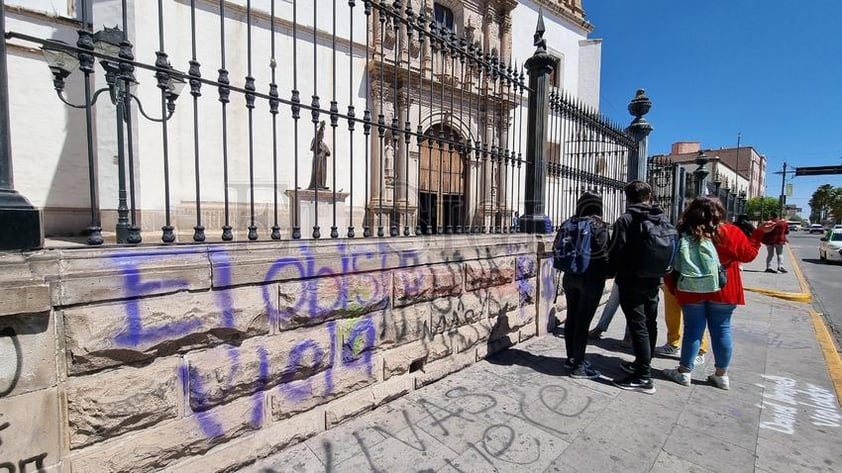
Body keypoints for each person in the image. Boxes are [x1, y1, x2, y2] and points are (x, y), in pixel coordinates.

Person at [662, 197, 774, 389]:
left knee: (692, 330)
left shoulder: (684, 232)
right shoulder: (729, 231)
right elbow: (748, 255)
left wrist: (673, 287)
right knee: (722, 330)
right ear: (720, 211)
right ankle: (721, 375)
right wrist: (758, 234)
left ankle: (684, 372)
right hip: (724, 289)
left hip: (691, 289)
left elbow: (672, 262)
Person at [608, 180, 672, 394]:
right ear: (649, 196)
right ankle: (643, 363)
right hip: (654, 278)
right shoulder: (661, 218)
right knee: (650, 322)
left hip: (631, 279)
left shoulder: (625, 220)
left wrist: (612, 272)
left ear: (628, 197)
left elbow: (615, 251)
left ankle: (643, 378)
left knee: (637, 325)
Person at [561, 192, 611, 379]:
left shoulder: (570, 222)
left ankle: (571, 358)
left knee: (571, 317)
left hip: (570, 276)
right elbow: (604, 254)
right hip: (590, 279)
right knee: (583, 322)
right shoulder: (599, 225)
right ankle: (579, 366)